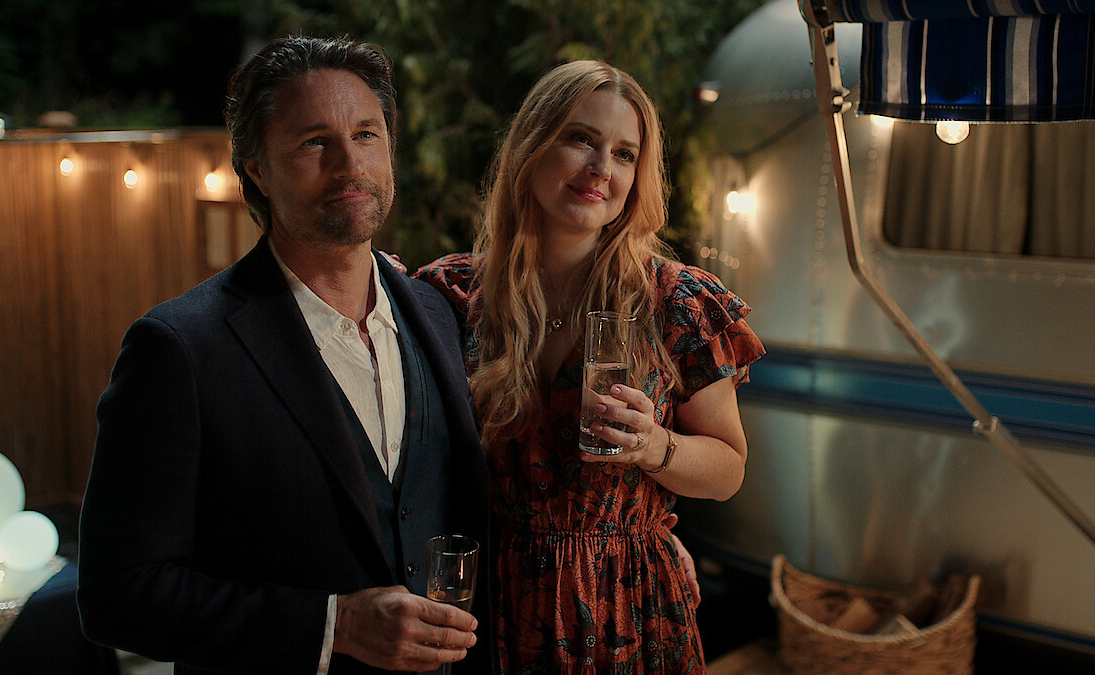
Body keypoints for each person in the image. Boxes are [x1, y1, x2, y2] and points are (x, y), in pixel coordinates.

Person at [77, 36, 492, 675]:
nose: (349, 165)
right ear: (257, 170)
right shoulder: (179, 350)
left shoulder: (437, 314)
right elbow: (118, 595)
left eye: (366, 135)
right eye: (313, 142)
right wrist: (334, 626)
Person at [414, 61, 766, 673]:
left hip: (629, 606)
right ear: (531, 147)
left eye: (624, 154)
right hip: (495, 600)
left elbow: (729, 469)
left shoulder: (673, 303)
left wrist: (655, 447)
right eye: (581, 139)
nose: (603, 167)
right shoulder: (453, 296)